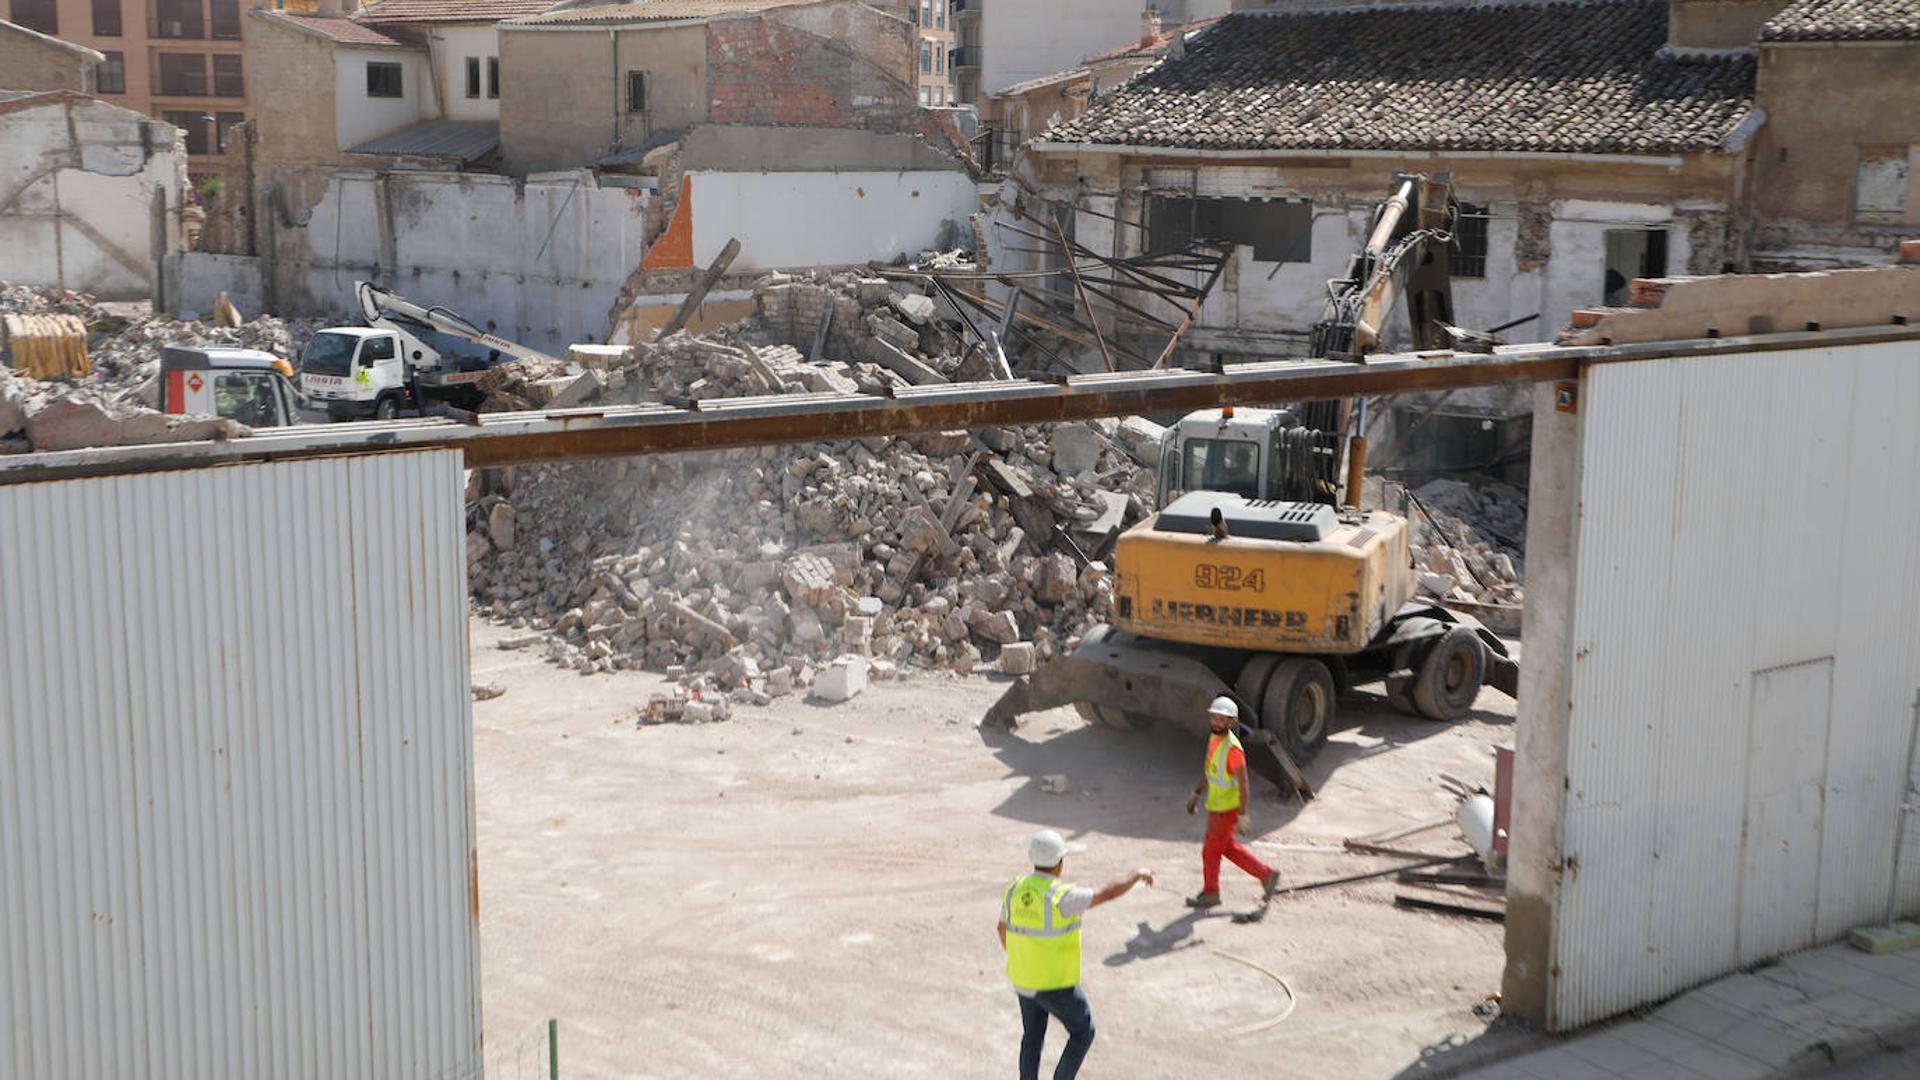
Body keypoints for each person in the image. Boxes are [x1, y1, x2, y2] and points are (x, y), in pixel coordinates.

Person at [998, 829, 1152, 1080]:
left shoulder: (1015, 889)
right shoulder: (1061, 896)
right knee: (1083, 1031)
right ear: (1060, 862)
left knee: (1032, 1036)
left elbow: (1001, 928)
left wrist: (1021, 957)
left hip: (1022, 979)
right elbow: (1107, 893)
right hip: (1053, 983)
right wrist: (1136, 874)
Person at [1185, 695, 1281, 909]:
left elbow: (1244, 783)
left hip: (1226, 809)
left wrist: (1244, 814)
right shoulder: (1214, 740)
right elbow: (1212, 772)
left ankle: (1211, 893)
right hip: (1216, 806)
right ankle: (1267, 875)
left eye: (1222, 719)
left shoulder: (1233, 749)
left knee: (1210, 852)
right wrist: (1197, 793)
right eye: (1214, 718)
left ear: (1231, 722)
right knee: (1227, 848)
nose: (1217, 722)